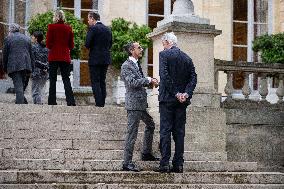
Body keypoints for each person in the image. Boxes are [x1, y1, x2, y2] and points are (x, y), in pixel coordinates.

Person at [157, 32, 197, 173]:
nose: (163, 47)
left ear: (168, 42)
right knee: (179, 132)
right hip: (182, 102)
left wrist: (176, 93)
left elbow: (164, 76)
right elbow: (193, 78)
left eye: (163, 44)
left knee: (165, 131)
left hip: (168, 99)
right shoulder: (187, 58)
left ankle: (164, 163)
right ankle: (178, 164)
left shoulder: (164, 55)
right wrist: (186, 93)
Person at [120, 42, 159, 172]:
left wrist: (151, 82)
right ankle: (127, 163)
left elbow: (140, 83)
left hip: (141, 103)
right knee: (132, 133)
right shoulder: (126, 66)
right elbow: (132, 83)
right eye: (139, 48)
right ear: (132, 50)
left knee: (151, 124)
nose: (141, 49)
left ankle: (146, 153)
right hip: (133, 104)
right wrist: (147, 80)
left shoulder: (136, 64)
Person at [46, 10, 76, 106]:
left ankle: (52, 101)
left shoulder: (51, 27)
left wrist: (54, 46)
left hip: (54, 56)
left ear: (55, 17)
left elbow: (48, 44)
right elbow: (71, 45)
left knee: (53, 79)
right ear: (63, 17)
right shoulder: (68, 28)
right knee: (66, 79)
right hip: (64, 57)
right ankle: (71, 101)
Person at [85, 12, 112, 107]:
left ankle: (99, 103)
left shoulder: (93, 28)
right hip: (105, 59)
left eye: (88, 19)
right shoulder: (108, 29)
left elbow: (87, 44)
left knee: (95, 81)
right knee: (102, 81)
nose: (88, 22)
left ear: (92, 18)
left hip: (95, 59)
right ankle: (102, 103)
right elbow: (110, 44)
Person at [2, 23, 33, 104]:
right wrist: (32, 67)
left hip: (14, 65)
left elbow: (5, 54)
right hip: (26, 65)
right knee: (21, 85)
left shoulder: (8, 39)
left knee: (18, 85)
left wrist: (4, 67)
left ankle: (19, 106)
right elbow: (31, 54)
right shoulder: (27, 38)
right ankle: (22, 102)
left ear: (11, 30)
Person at [31, 31, 49, 104]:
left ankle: (38, 106)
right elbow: (49, 60)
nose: (31, 37)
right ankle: (39, 104)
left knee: (35, 91)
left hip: (36, 71)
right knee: (40, 90)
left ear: (36, 38)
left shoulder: (33, 47)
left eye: (32, 36)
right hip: (44, 72)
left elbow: (32, 60)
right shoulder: (47, 48)